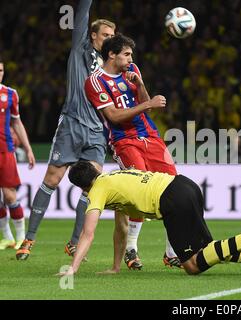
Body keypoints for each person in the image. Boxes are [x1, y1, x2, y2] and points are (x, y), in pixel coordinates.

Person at [15, 0, 116, 260]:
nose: (108, 39)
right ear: (93, 35)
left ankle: (73, 242)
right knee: (52, 179)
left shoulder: (110, 65)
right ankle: (29, 239)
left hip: (96, 130)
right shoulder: (79, 50)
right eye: (105, 35)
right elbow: (81, 16)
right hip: (71, 124)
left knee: (91, 186)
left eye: (112, 36)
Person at [59, 160, 241, 276]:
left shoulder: (97, 191)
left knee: (192, 266)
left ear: (81, 187)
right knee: (205, 250)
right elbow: (121, 230)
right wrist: (115, 267)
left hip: (171, 199)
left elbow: (88, 234)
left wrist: (73, 268)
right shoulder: (111, 178)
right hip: (184, 185)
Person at [84, 33, 181, 269]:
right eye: (127, 54)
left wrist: (140, 85)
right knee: (138, 191)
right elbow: (114, 116)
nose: (131, 59)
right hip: (124, 141)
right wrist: (148, 103)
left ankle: (171, 252)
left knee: (175, 189)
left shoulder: (132, 70)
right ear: (111, 54)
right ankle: (131, 249)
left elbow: (145, 106)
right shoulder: (95, 82)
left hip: (151, 137)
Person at [0, 56, 36, 250]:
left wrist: (28, 149)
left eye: (1, 70)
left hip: (5, 150)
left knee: (9, 196)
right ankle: (7, 237)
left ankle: (21, 237)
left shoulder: (11, 94)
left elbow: (17, 122)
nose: (0, 74)